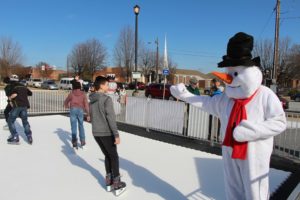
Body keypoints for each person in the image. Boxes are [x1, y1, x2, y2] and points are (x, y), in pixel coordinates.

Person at [89, 76, 126, 196]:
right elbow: (111, 118)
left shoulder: (92, 99)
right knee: (114, 157)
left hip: (96, 132)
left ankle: (109, 182)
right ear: (101, 86)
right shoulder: (106, 99)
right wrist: (116, 134)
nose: (108, 87)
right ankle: (117, 183)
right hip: (106, 132)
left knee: (107, 155)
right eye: (106, 85)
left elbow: (90, 117)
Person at [7, 78, 33, 144]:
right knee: (25, 121)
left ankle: (15, 136)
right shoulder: (24, 87)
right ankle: (29, 136)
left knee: (10, 120)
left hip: (17, 106)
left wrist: (10, 98)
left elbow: (14, 95)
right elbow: (30, 93)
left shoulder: (15, 87)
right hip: (25, 106)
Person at [64, 81, 90, 148]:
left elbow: (66, 101)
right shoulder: (83, 94)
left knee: (73, 126)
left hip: (73, 110)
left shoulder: (71, 93)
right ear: (79, 86)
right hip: (80, 110)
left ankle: (74, 141)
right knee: (81, 125)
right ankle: (83, 141)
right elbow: (86, 104)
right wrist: (88, 114)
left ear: (74, 87)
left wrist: (66, 105)